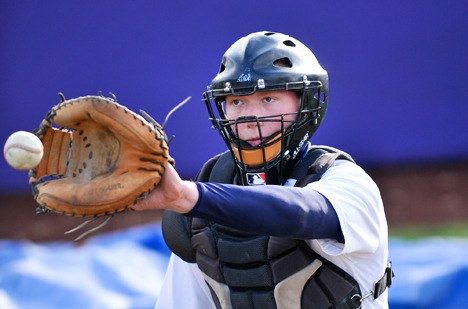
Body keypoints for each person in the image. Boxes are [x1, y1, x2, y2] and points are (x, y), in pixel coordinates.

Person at [132, 31, 392, 309]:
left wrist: (187, 197)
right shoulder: (202, 203)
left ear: (307, 103)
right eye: (236, 102)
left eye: (268, 98)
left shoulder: (345, 181)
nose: (248, 116)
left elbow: (303, 214)